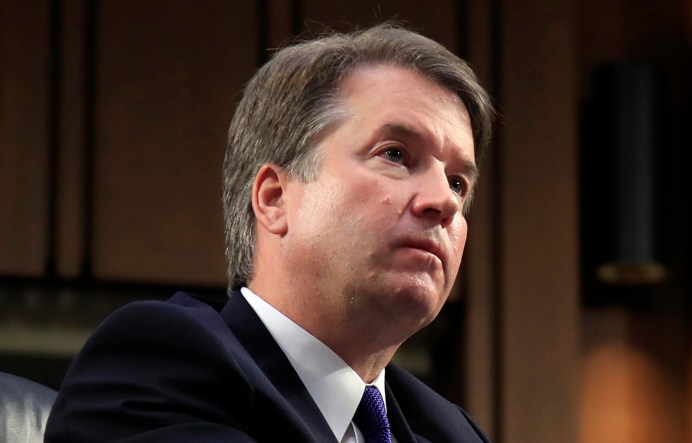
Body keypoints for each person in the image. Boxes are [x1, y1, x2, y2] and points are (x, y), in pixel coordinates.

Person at [45, 23, 494, 443]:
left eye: (458, 182)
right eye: (395, 154)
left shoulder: (449, 430)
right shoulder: (158, 365)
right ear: (275, 198)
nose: (446, 201)